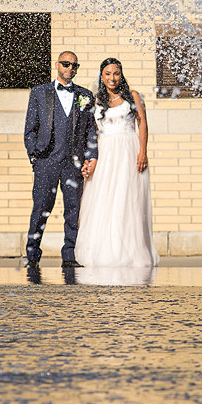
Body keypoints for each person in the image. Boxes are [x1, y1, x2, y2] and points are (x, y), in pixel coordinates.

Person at [74, 58, 159, 270]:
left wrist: (143, 152)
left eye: (116, 74)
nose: (112, 78)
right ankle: (105, 251)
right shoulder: (95, 101)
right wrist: (89, 158)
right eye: (108, 74)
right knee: (103, 200)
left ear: (121, 75)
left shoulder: (134, 96)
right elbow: (90, 133)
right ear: (101, 77)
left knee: (127, 200)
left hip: (129, 153)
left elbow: (143, 124)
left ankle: (129, 252)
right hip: (106, 154)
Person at [23, 50, 98, 270]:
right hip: (46, 161)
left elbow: (90, 132)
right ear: (57, 65)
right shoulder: (39, 93)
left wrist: (91, 156)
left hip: (73, 163)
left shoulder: (85, 95)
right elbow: (30, 129)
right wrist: (35, 156)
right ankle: (32, 254)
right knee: (40, 208)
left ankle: (69, 255)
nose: (70, 68)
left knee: (73, 210)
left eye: (74, 65)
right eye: (66, 64)